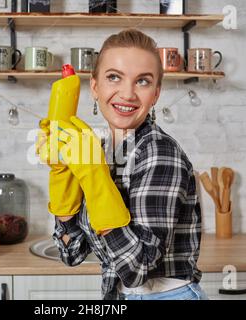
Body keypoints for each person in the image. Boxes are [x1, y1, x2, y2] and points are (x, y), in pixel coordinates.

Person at [37, 28, 207, 300]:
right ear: (95, 87)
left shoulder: (159, 153)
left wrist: (94, 177)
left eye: (143, 81)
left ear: (156, 94)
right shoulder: (100, 151)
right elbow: (72, 253)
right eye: (114, 77)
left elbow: (138, 269)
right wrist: (64, 180)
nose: (127, 94)